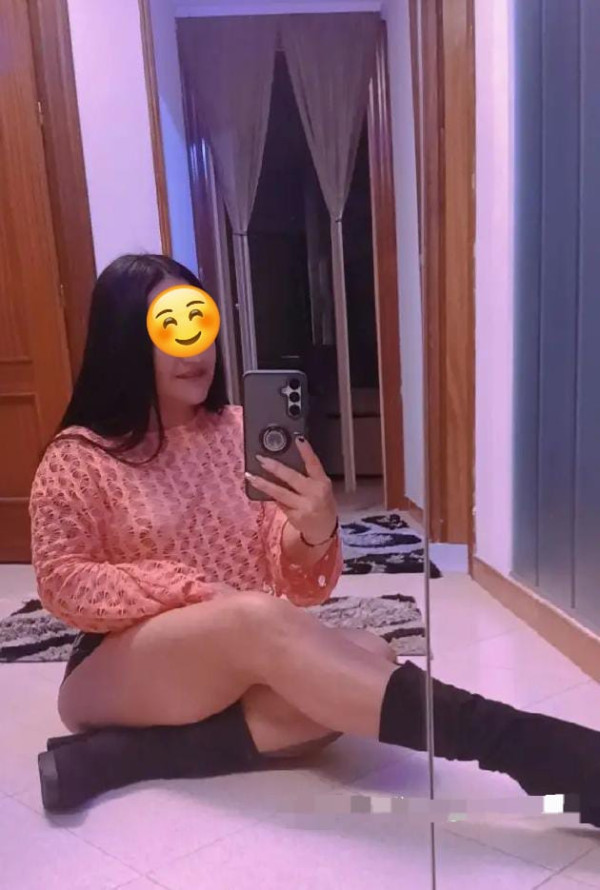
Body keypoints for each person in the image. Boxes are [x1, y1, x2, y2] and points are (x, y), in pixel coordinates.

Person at [31, 254, 600, 825]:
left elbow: (287, 570)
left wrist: (315, 527)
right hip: (117, 669)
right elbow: (63, 581)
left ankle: (121, 758)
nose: (193, 347)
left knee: (371, 654)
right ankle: (527, 747)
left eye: (199, 323)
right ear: (126, 341)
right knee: (267, 627)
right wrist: (195, 592)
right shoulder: (80, 456)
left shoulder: (239, 431)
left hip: (238, 646)